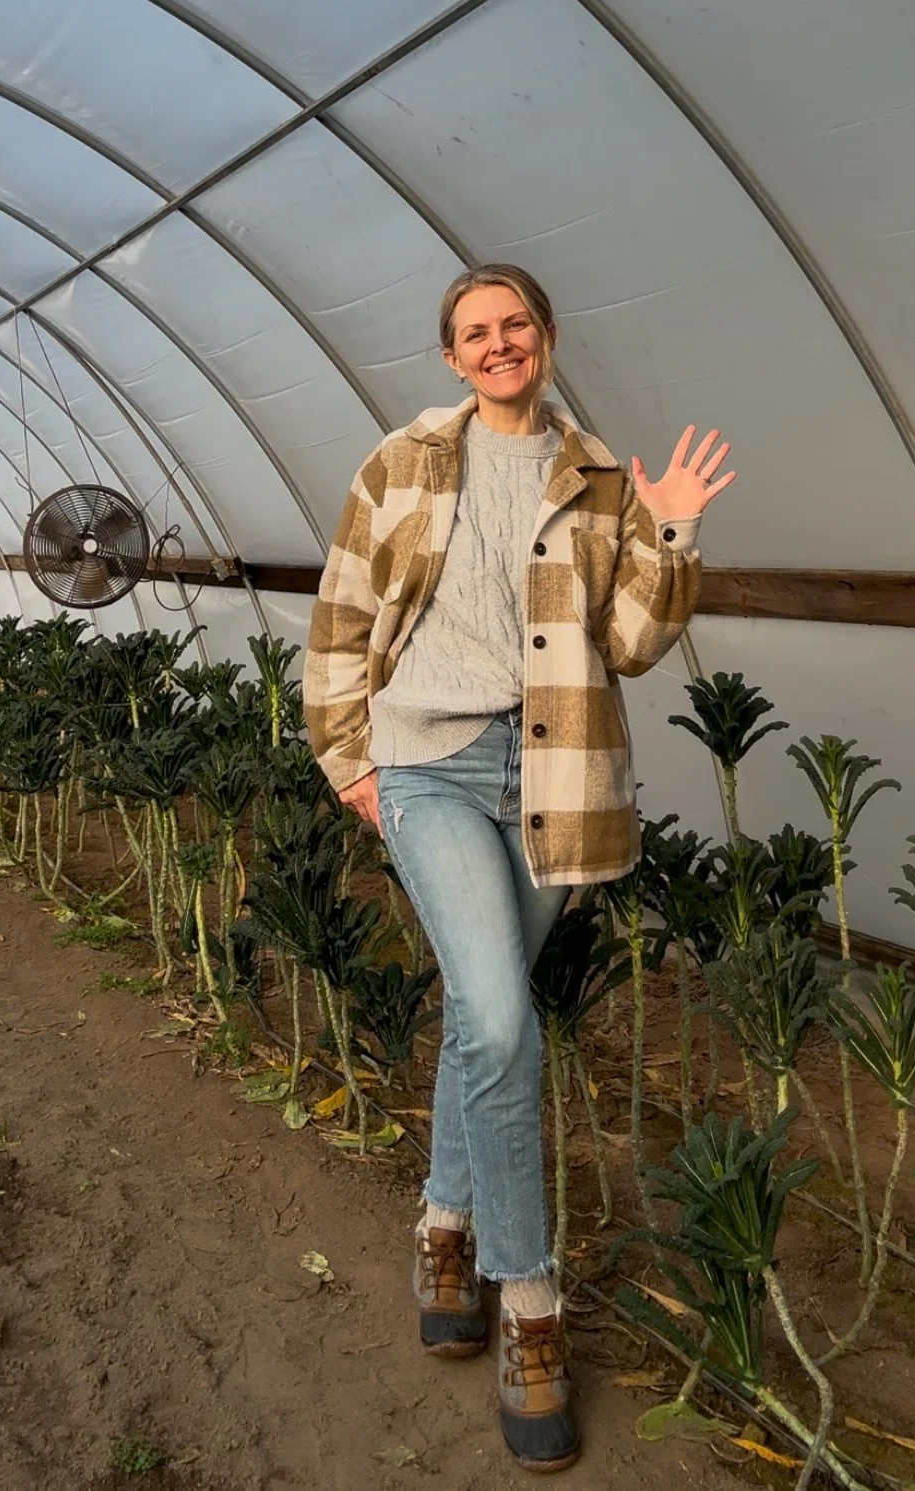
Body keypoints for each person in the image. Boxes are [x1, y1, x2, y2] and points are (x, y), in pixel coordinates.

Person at [304, 264, 735, 1473]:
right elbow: (340, 617)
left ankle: (444, 1225)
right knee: (501, 1018)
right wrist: (348, 762)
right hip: (429, 763)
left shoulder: (595, 476)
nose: (499, 345)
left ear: (545, 339)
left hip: (551, 781)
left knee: (485, 1030)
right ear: (451, 357)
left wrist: (672, 526)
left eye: (516, 326)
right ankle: (531, 1307)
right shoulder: (401, 464)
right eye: (475, 333)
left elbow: (634, 644)